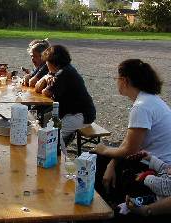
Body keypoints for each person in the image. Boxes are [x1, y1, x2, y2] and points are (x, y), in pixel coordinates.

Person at [90, 59, 171, 207]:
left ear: (124, 80)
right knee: (101, 157)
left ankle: (99, 208)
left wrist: (104, 150)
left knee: (94, 159)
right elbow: (130, 142)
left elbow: (130, 149)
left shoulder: (141, 107)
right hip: (156, 160)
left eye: (117, 78)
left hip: (159, 169)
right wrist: (112, 162)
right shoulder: (150, 100)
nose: (116, 82)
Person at [39, 45, 96, 151]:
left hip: (81, 115)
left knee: (51, 138)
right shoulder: (67, 69)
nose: (46, 65)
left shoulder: (63, 73)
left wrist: (47, 77)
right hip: (77, 112)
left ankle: (56, 154)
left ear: (53, 62)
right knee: (47, 122)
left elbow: (45, 92)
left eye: (47, 62)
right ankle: (61, 144)